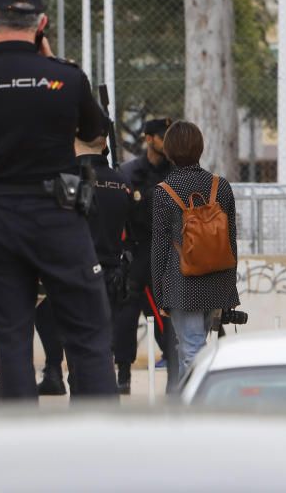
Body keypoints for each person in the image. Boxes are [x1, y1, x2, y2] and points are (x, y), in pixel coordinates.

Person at [0, 0, 117, 400]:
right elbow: (96, 134)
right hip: (56, 214)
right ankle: (103, 438)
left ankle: (20, 445)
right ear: (41, 25)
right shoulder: (66, 76)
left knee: (11, 340)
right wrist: (51, 66)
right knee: (88, 334)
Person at [151, 121, 239, 377]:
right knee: (193, 347)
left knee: (191, 350)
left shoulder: (164, 192)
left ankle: (196, 411)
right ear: (200, 148)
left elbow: (159, 248)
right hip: (217, 279)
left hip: (182, 283)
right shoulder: (220, 186)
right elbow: (231, 240)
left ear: (168, 151)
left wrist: (160, 295)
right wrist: (229, 289)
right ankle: (186, 407)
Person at [119, 118, 179, 391]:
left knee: (168, 318)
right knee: (126, 317)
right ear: (149, 139)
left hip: (167, 253)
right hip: (137, 252)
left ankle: (175, 373)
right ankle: (123, 375)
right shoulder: (129, 173)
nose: (167, 142)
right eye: (162, 136)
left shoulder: (176, 173)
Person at [78, 136, 132, 392]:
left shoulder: (69, 179)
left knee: (77, 342)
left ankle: (81, 396)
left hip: (76, 271)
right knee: (104, 343)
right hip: (112, 272)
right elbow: (133, 230)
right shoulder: (122, 182)